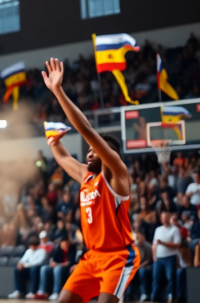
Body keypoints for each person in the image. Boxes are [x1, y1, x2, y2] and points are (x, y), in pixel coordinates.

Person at [40, 58, 139, 303]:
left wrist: (58, 91)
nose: (89, 153)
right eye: (89, 151)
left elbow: (87, 131)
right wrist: (53, 140)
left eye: (94, 151)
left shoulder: (116, 173)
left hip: (119, 256)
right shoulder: (86, 176)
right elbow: (63, 159)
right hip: (92, 257)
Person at [152, 211, 181, 302]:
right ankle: (155, 298)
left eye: (166, 217)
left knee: (171, 278)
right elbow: (154, 244)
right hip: (159, 258)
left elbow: (177, 244)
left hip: (170, 257)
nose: (164, 219)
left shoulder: (175, 229)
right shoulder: (158, 229)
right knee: (156, 278)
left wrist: (163, 243)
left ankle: (171, 297)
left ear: (169, 218)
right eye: (162, 217)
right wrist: (154, 255)